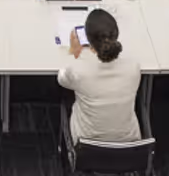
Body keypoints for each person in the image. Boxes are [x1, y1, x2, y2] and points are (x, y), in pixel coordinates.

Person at [57, 8, 142, 144]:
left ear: (88, 39)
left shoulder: (78, 69)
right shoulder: (133, 66)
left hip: (86, 143)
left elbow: (61, 79)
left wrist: (74, 52)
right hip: (128, 143)